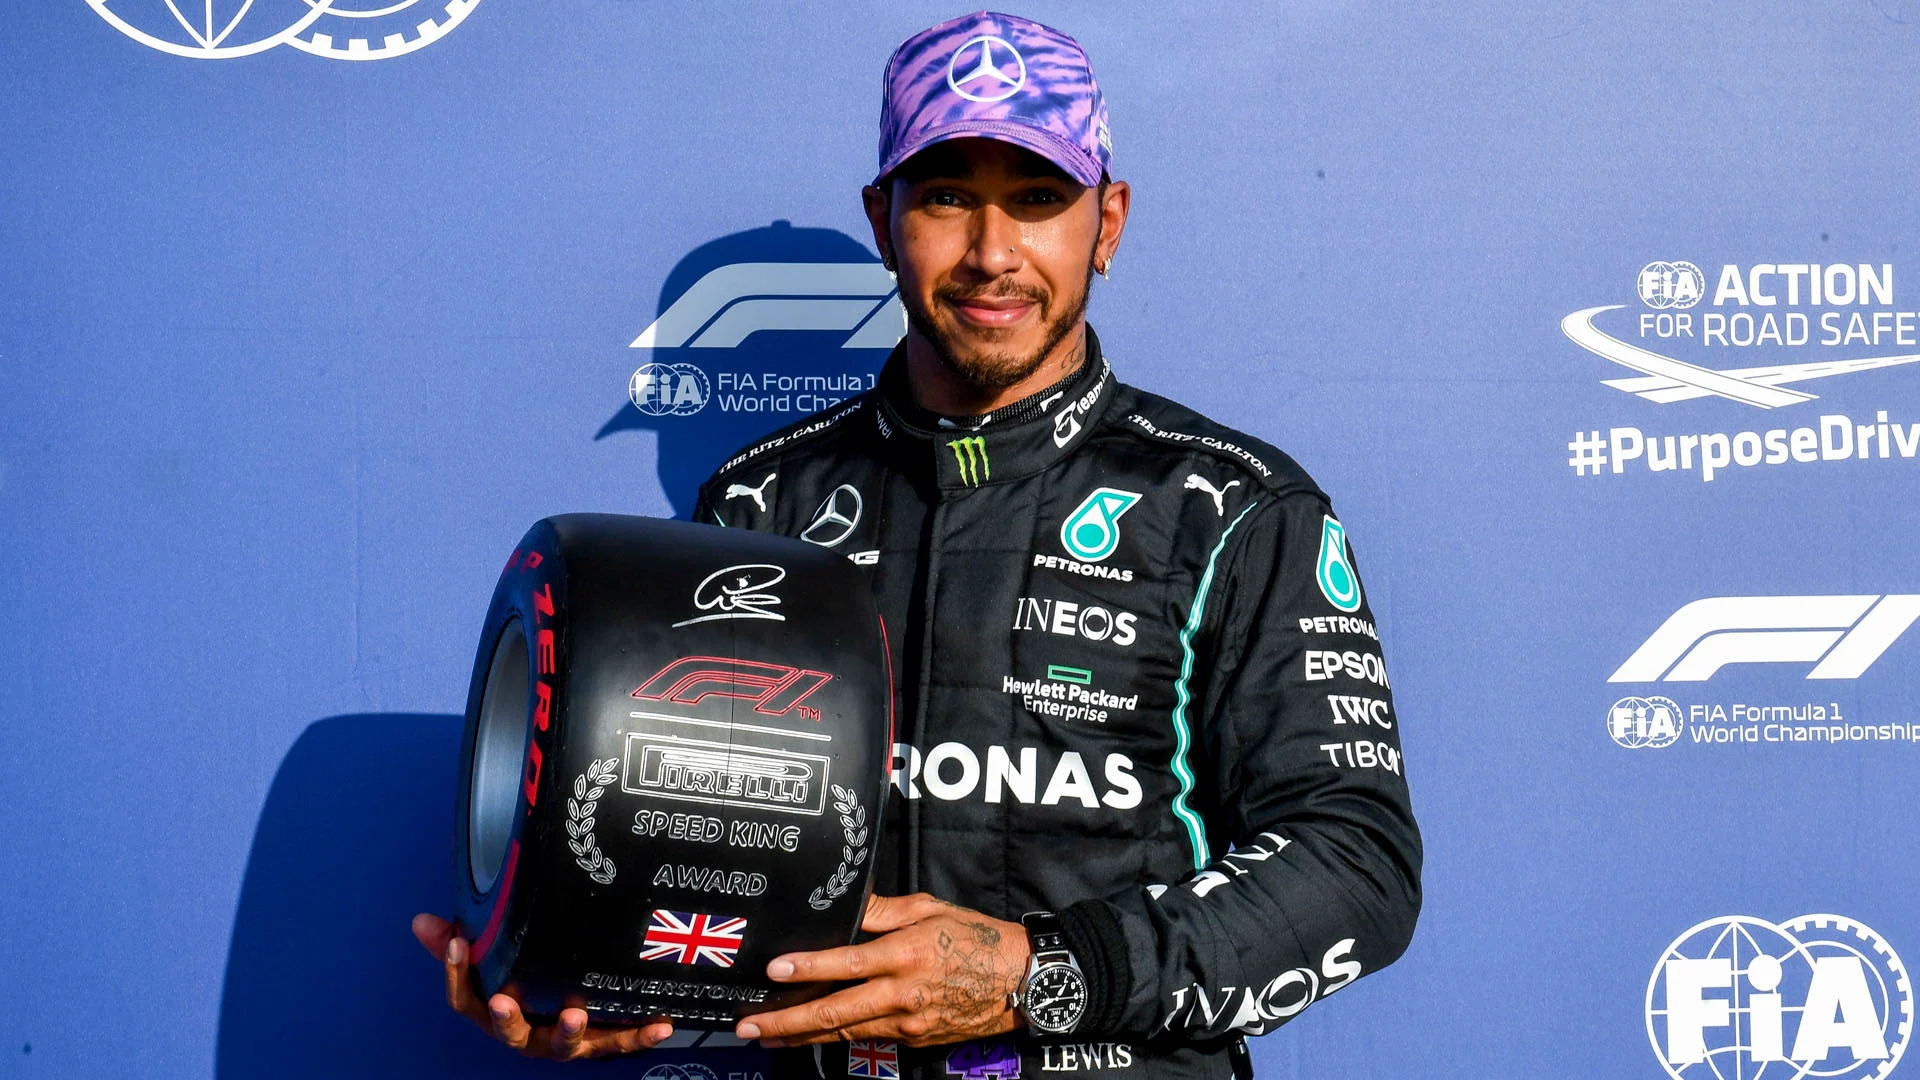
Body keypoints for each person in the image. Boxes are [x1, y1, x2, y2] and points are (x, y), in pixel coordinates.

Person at [414, 10, 1421, 1077]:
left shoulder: (1231, 506)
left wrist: (1038, 976)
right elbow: (695, 860)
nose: (994, 254)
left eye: (1038, 200)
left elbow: (1356, 864)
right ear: (881, 218)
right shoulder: (759, 501)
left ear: (1109, 222)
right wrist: (603, 987)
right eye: (946, 197)